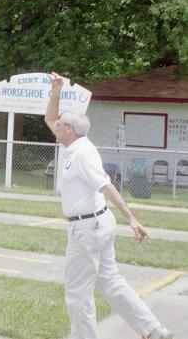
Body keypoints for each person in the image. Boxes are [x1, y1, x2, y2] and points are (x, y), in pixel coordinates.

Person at [44, 72, 173, 339]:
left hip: (87, 229)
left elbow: (106, 186)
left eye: (59, 125)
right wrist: (56, 90)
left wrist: (132, 219)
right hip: (96, 224)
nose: (54, 126)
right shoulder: (73, 147)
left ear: (69, 129)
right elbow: (49, 117)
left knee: (78, 292)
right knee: (111, 282)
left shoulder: (82, 153)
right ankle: (153, 330)